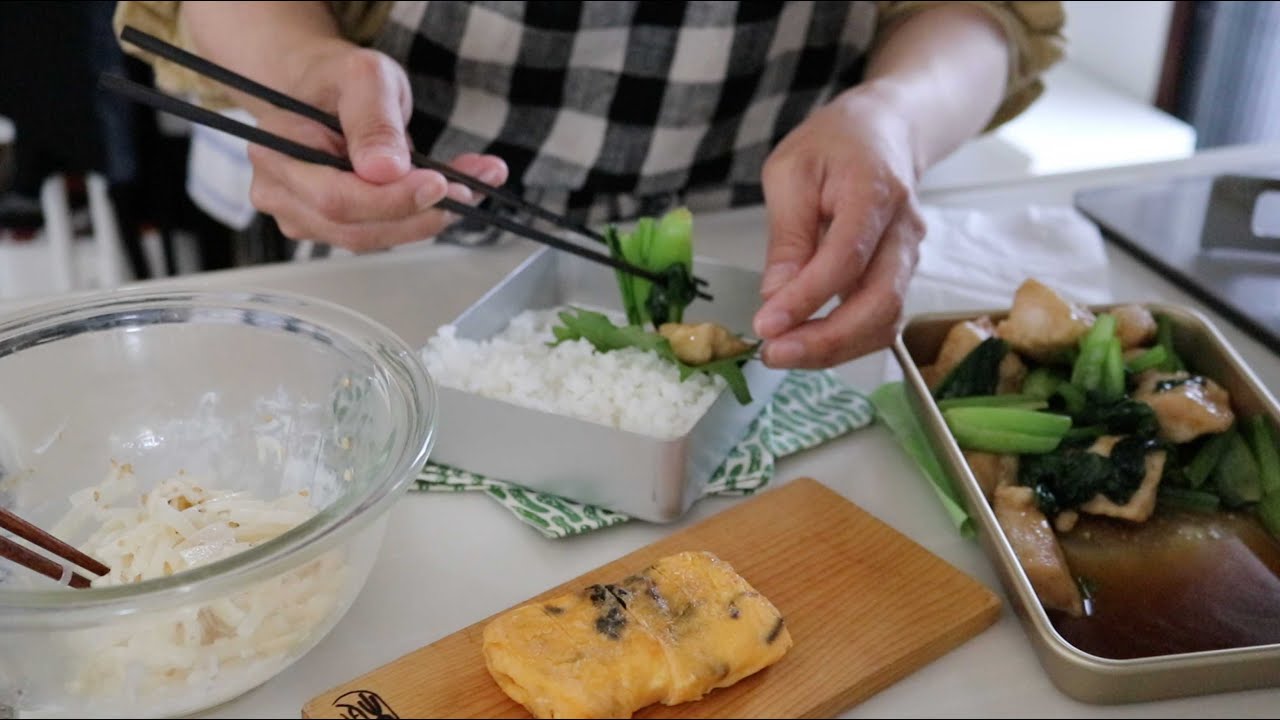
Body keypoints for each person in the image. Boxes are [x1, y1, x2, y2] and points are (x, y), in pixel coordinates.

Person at [114, 1, 1065, 370]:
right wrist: (297, 66)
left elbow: (983, 13)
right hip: (391, 254)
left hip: (775, 237)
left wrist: (894, 119)